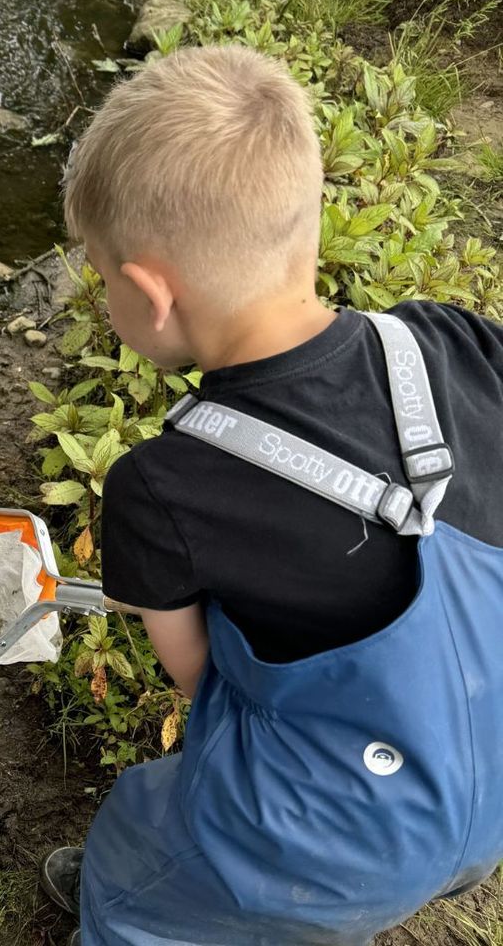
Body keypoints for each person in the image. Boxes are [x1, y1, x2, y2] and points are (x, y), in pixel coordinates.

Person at [38, 46, 503, 945]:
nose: (103, 298)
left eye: (101, 279)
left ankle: (134, 912)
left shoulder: (160, 487)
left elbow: (203, 677)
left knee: (148, 861)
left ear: (148, 294)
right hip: (487, 789)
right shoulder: (450, 340)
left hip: (336, 835)